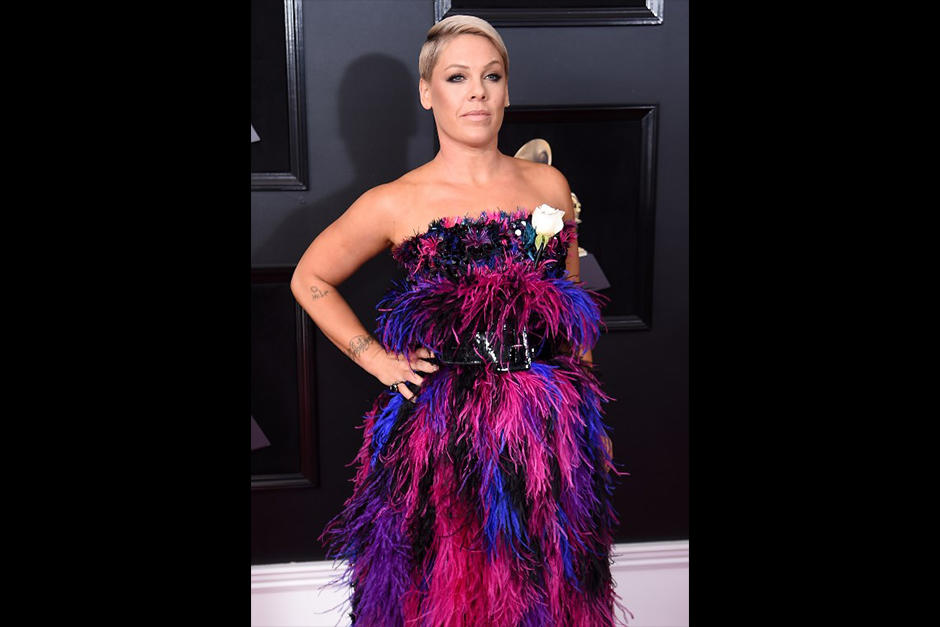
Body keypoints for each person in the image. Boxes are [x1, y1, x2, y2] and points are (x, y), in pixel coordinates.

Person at [291, 14, 628, 626]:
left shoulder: (548, 184)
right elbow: (310, 279)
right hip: (445, 431)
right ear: (428, 93)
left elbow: (574, 315)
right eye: (456, 77)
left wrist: (593, 421)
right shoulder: (396, 201)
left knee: (548, 596)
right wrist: (375, 358)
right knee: (452, 597)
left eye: (491, 76)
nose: (477, 91)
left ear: (506, 90)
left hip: (551, 425)